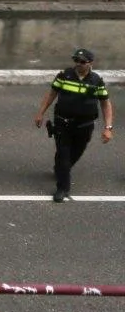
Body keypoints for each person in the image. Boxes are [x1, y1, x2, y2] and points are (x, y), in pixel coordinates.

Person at [34, 48, 113, 202]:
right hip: (62, 122)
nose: (78, 64)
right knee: (63, 155)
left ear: (90, 63)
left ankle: (60, 169)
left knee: (74, 154)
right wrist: (40, 113)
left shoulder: (96, 81)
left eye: (82, 62)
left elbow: (106, 104)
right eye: (76, 60)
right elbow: (51, 94)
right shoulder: (64, 75)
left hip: (85, 126)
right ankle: (63, 188)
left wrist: (108, 128)